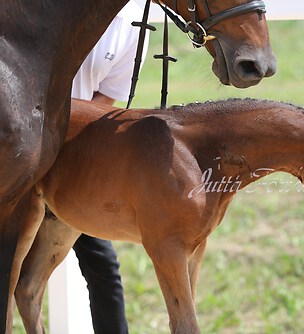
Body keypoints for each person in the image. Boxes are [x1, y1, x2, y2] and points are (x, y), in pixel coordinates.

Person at [70, 1, 149, 333]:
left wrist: (61, 131)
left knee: (103, 264)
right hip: (18, 144)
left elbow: (107, 96)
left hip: (65, 151)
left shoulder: (134, 23)